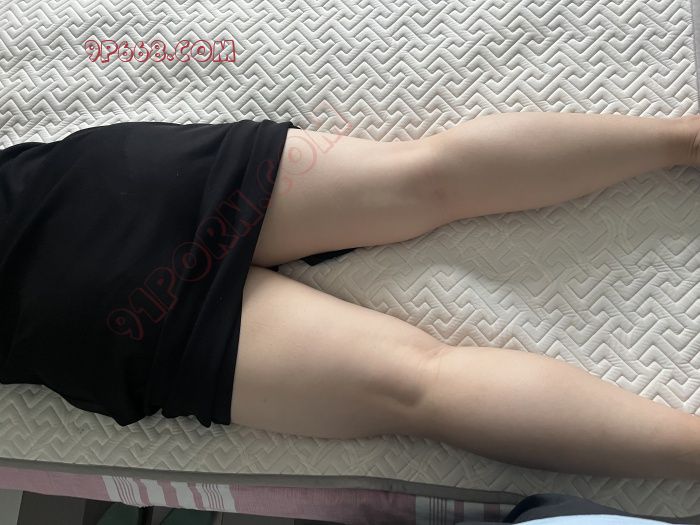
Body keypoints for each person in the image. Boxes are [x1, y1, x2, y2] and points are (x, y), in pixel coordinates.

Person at [1, 112, 699, 481]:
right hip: (100, 183)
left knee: (424, 385)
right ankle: (683, 139)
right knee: (426, 176)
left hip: (88, 316)